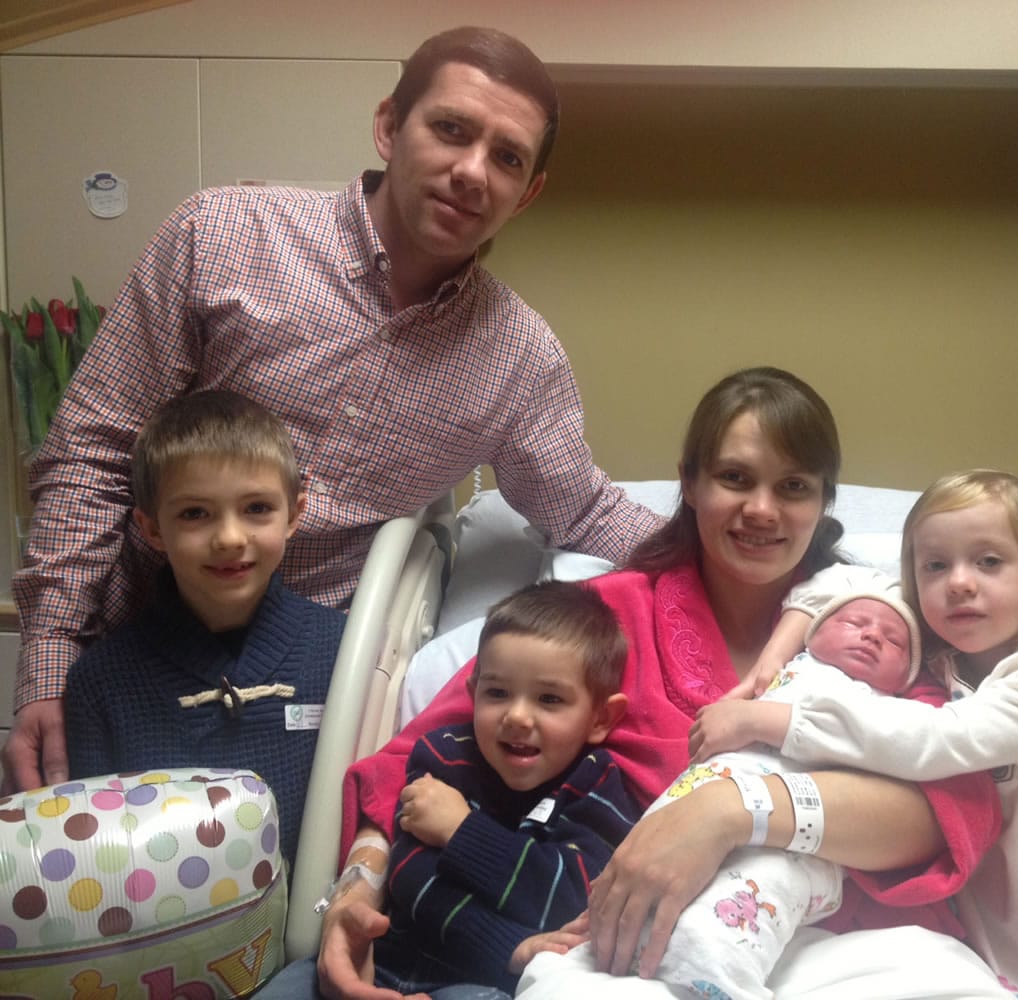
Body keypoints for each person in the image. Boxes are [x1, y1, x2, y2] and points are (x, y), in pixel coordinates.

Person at [4, 25, 663, 795]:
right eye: (450, 129)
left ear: (529, 192)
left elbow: (583, 510)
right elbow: (92, 447)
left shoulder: (517, 359)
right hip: (125, 637)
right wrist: (49, 661)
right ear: (389, 125)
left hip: (311, 682)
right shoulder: (219, 237)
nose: (471, 171)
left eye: (507, 157)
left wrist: (766, 571)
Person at [318, 368, 1007, 1000]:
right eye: (735, 478)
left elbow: (946, 811)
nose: (762, 510)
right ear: (689, 483)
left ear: (825, 500)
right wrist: (359, 888)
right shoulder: (604, 619)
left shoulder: (882, 632)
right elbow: (414, 760)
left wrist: (725, 811)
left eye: (793, 486)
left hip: (854, 943)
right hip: (651, 957)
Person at [710, 469, 1018, 1000]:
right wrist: (773, 658)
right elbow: (841, 585)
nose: (959, 582)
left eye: (989, 562)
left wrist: (777, 718)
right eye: (936, 566)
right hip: (1004, 967)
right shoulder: (948, 665)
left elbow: (938, 741)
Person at [259, 580, 639, 999]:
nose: (516, 716)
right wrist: (509, 938)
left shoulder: (595, 784)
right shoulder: (443, 757)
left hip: (486, 982)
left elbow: (572, 896)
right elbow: (410, 877)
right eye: (497, 693)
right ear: (473, 694)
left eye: (549, 699)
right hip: (388, 957)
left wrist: (464, 831)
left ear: (602, 718)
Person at [643, 572, 976, 1000]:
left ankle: (719, 982)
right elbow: (827, 587)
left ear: (907, 676)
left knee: (738, 913)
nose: (872, 635)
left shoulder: (897, 710)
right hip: (712, 788)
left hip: (803, 838)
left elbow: (909, 746)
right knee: (652, 863)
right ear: (812, 634)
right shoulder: (785, 673)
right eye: (853, 623)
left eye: (894, 641)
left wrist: (761, 723)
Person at [62, 390, 345, 865]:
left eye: (257, 508)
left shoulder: (344, 654)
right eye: (195, 513)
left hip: (316, 932)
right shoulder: (100, 684)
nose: (230, 538)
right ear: (152, 529)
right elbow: (97, 860)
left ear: (295, 514)